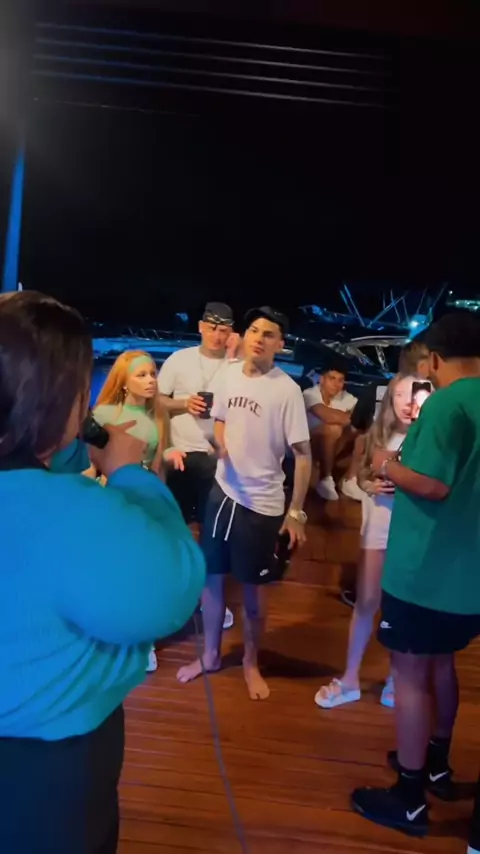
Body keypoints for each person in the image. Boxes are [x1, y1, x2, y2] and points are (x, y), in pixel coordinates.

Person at [0, 291, 206, 854]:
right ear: (54, 400)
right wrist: (130, 473)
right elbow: (171, 587)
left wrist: (63, 448)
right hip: (43, 776)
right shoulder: (71, 512)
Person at [351, 311, 480, 836]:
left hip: (425, 569)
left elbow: (432, 484)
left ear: (434, 359)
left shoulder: (447, 403)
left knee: (408, 675)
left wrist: (386, 463)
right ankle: (438, 764)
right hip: (468, 577)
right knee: (441, 664)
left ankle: (409, 796)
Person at [176, 306, 311, 699]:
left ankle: (251, 662)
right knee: (212, 578)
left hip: (262, 503)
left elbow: (303, 455)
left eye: (268, 334)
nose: (258, 338)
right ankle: (211, 655)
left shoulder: (287, 390)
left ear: (280, 344)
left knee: (253, 592)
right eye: (253, 330)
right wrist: (220, 443)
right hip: (223, 492)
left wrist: (296, 512)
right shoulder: (229, 373)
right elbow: (219, 416)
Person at [315, 374, 416, 711]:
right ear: (390, 398)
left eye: (414, 395)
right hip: (377, 529)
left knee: (400, 608)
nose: (407, 403)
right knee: (366, 602)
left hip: (410, 533)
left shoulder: (426, 439)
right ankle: (350, 679)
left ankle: (395, 679)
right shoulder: (378, 434)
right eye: (400, 395)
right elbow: (360, 475)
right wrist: (368, 485)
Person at [94, 350, 186, 672]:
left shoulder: (158, 416)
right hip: (111, 501)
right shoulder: (103, 415)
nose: (150, 381)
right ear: (123, 381)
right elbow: (90, 462)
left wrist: (169, 455)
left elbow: (157, 465)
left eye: (153, 374)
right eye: (142, 375)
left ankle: (142, 642)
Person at [158, 301, 239, 630]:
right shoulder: (180, 359)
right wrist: (183, 403)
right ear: (201, 327)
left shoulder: (237, 367)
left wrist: (237, 355)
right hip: (179, 454)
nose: (217, 335)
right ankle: (170, 593)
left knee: (213, 532)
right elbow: (156, 400)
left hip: (216, 457)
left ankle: (208, 597)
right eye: (212, 328)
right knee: (173, 527)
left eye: (224, 330)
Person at [341, 339, 431, 608]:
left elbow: (358, 432)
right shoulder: (430, 401)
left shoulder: (428, 406)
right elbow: (364, 442)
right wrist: (365, 479)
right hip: (387, 503)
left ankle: (368, 592)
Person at [303, 365, 358, 501]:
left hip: (336, 445)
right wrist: (345, 417)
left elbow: (357, 420)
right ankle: (325, 477)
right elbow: (328, 416)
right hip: (308, 445)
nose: (336, 384)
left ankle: (350, 480)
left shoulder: (346, 397)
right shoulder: (310, 394)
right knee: (333, 429)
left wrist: (348, 420)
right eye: (332, 379)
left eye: (340, 380)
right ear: (322, 379)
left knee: (361, 434)